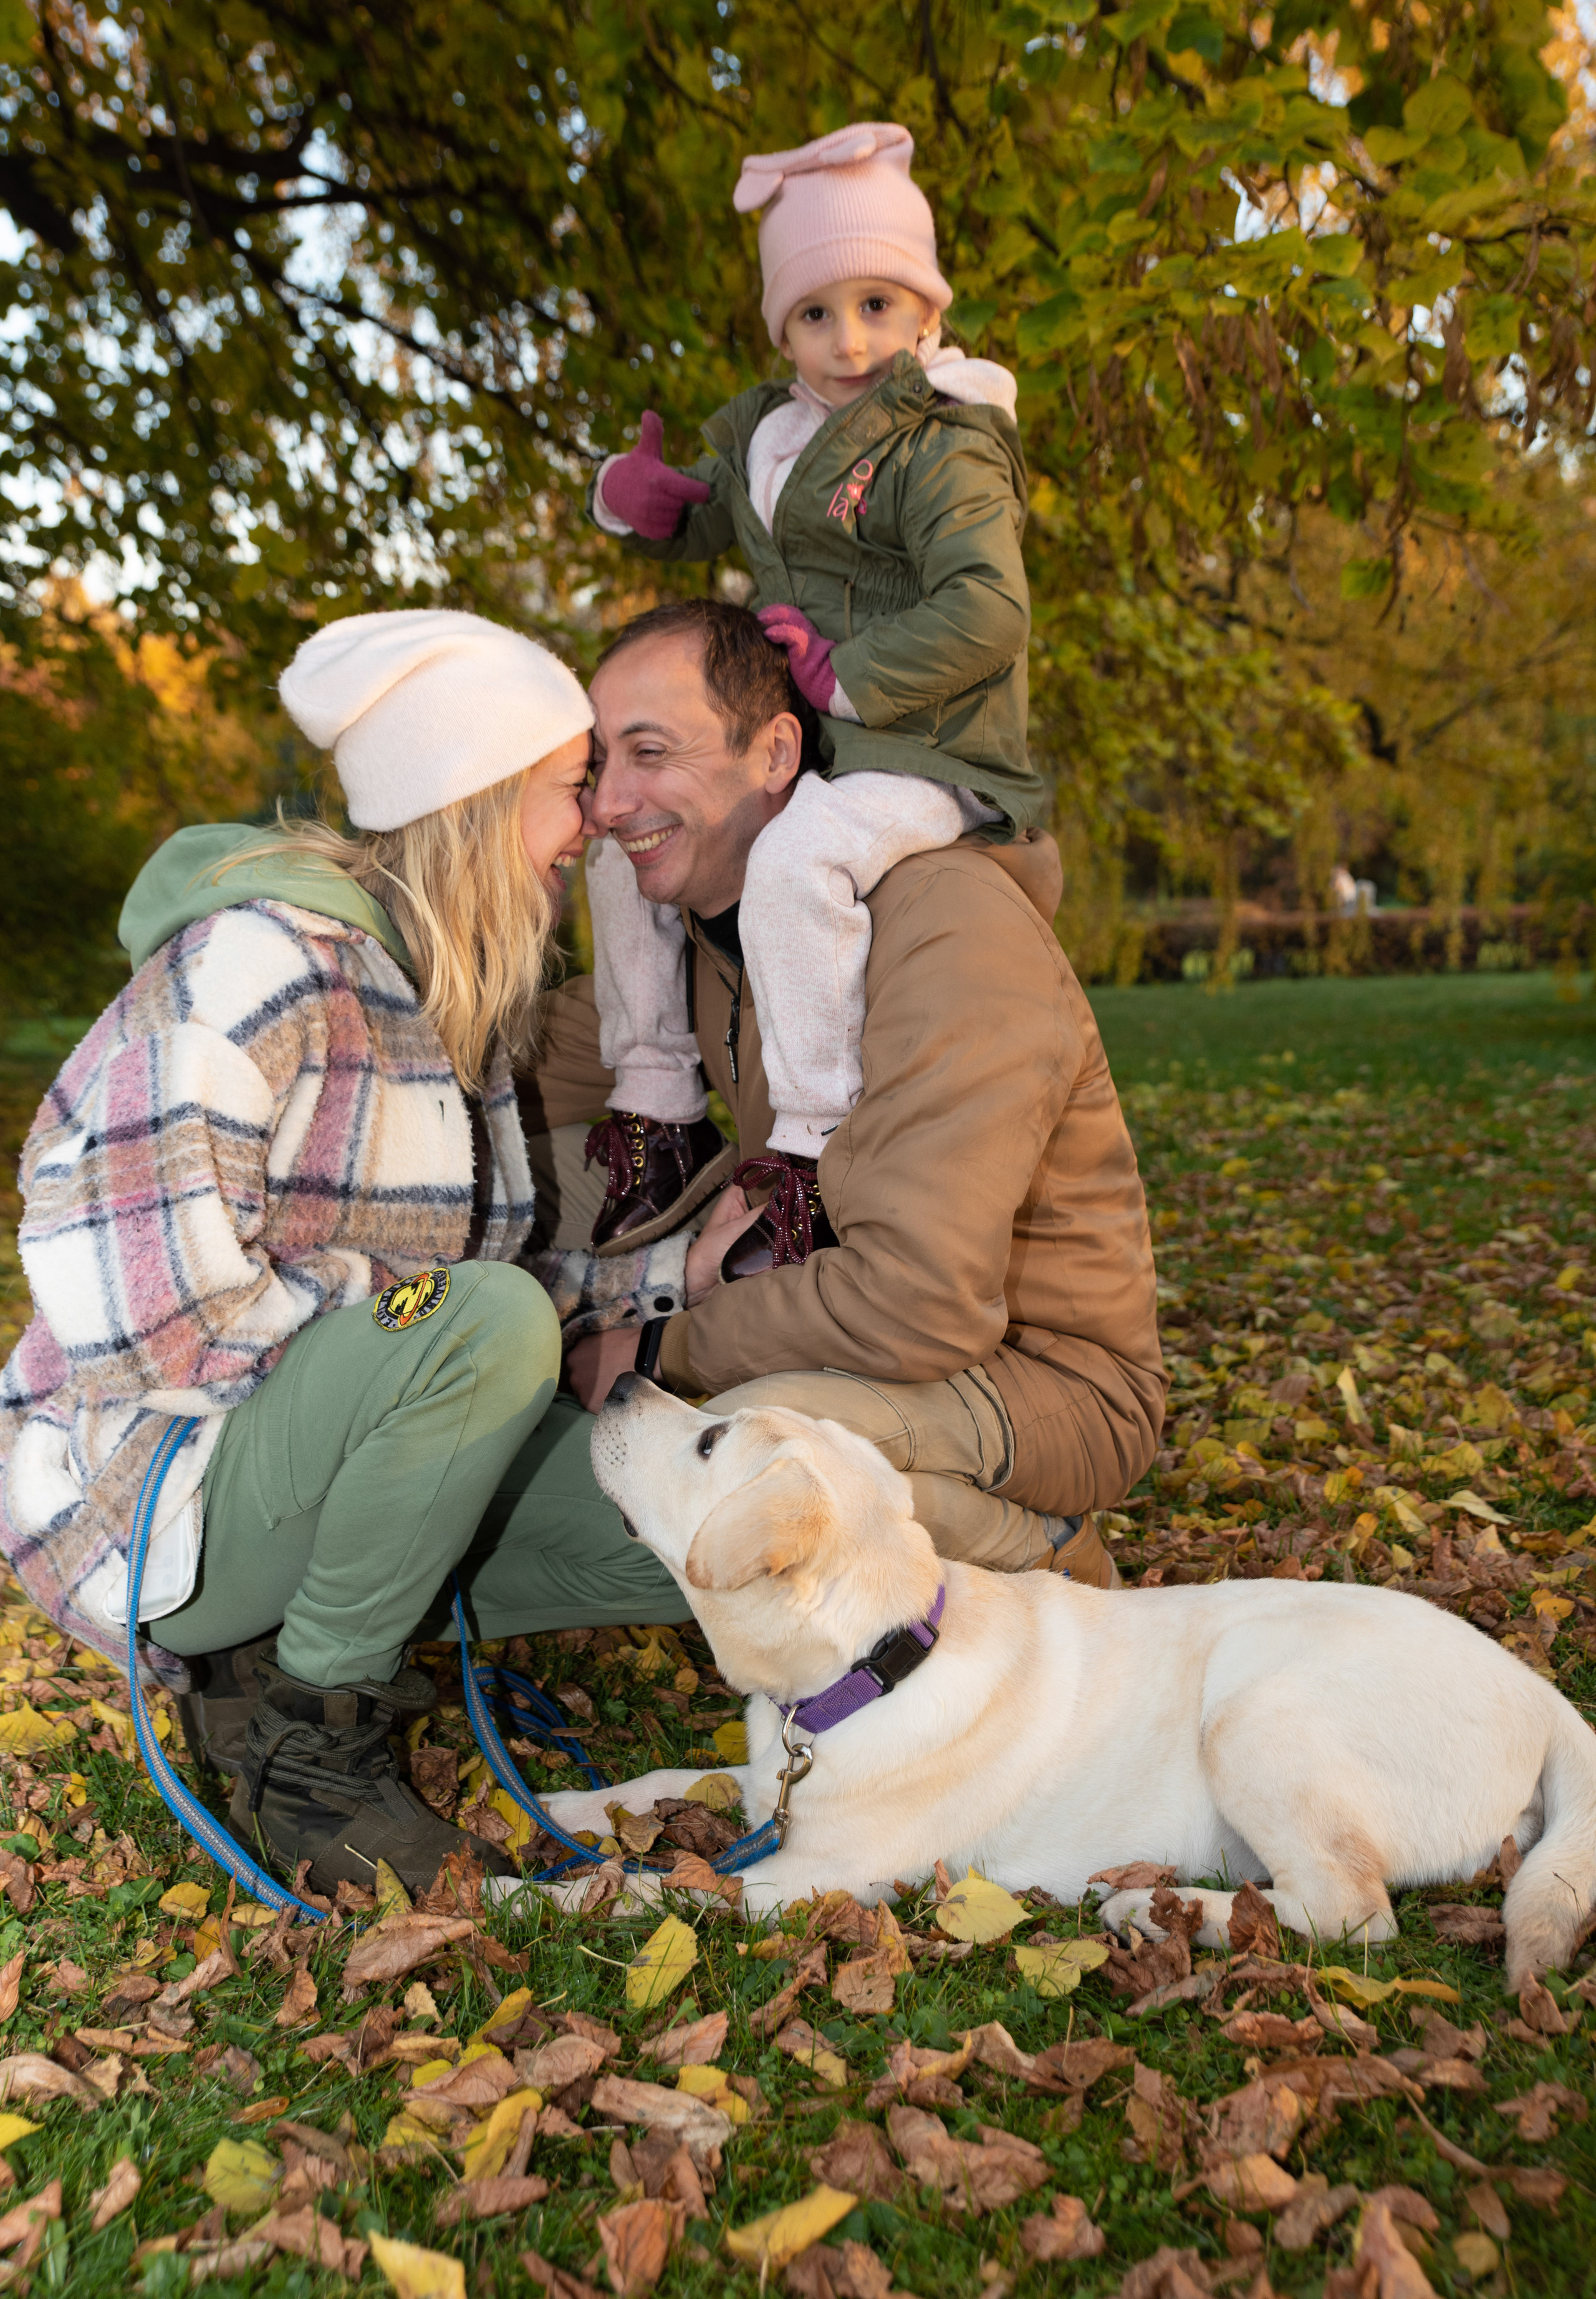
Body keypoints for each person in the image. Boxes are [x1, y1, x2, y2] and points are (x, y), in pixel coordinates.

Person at [0, 608, 692, 1894]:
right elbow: (146, 1310)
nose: (590, 817)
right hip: (172, 1503)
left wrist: (676, 1278)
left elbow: (487, 1291)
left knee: (665, 1531)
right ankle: (307, 1746)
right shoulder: (255, 962)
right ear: (477, 803)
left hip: (309, 1459)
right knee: (480, 1325)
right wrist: (398, 1322)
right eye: (568, 785)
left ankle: (312, 1638)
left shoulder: (439, 1003)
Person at [533, 600, 1166, 1583]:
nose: (609, 806)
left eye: (650, 753)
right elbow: (520, 1051)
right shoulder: (714, 934)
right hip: (849, 1298)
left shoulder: (947, 928)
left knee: (740, 1444)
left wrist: (660, 1354)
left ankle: (1041, 1557)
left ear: (777, 753)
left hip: (1044, 1377)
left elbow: (922, 1301)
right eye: (598, 765)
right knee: (521, 1176)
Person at [581, 121, 1041, 1275]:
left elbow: (990, 609)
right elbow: (702, 517)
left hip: (932, 749)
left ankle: (812, 1150)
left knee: (794, 865)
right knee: (616, 846)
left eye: (879, 305)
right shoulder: (770, 436)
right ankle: (661, 1107)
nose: (849, 339)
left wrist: (849, 672)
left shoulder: (947, 444)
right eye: (816, 314)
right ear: (782, 324)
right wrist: (642, 503)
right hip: (824, 744)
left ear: (927, 309)